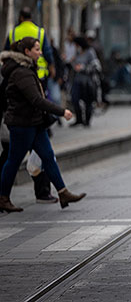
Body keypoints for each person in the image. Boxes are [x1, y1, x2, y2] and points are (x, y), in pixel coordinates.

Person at [0, 37, 86, 212]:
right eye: (37, 49)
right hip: (22, 124)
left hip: (34, 123)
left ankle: (63, 192)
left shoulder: (27, 69)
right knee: (13, 161)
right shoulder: (21, 72)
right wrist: (62, 111)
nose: (40, 53)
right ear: (27, 52)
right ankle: (3, 197)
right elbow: (36, 100)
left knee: (48, 156)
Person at [3, 7, 57, 204]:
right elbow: (49, 56)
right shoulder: (40, 32)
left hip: (20, 101)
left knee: (20, 154)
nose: (39, 51)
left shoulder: (13, 33)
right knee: (36, 152)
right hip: (37, 89)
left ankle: (4, 196)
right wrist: (52, 71)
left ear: (19, 17)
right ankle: (43, 192)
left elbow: (7, 53)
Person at [70, 37, 100, 127]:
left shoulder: (90, 52)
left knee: (88, 100)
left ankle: (87, 120)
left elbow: (96, 66)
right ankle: (79, 119)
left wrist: (83, 68)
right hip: (77, 80)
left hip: (87, 81)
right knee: (74, 98)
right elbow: (74, 65)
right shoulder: (77, 53)